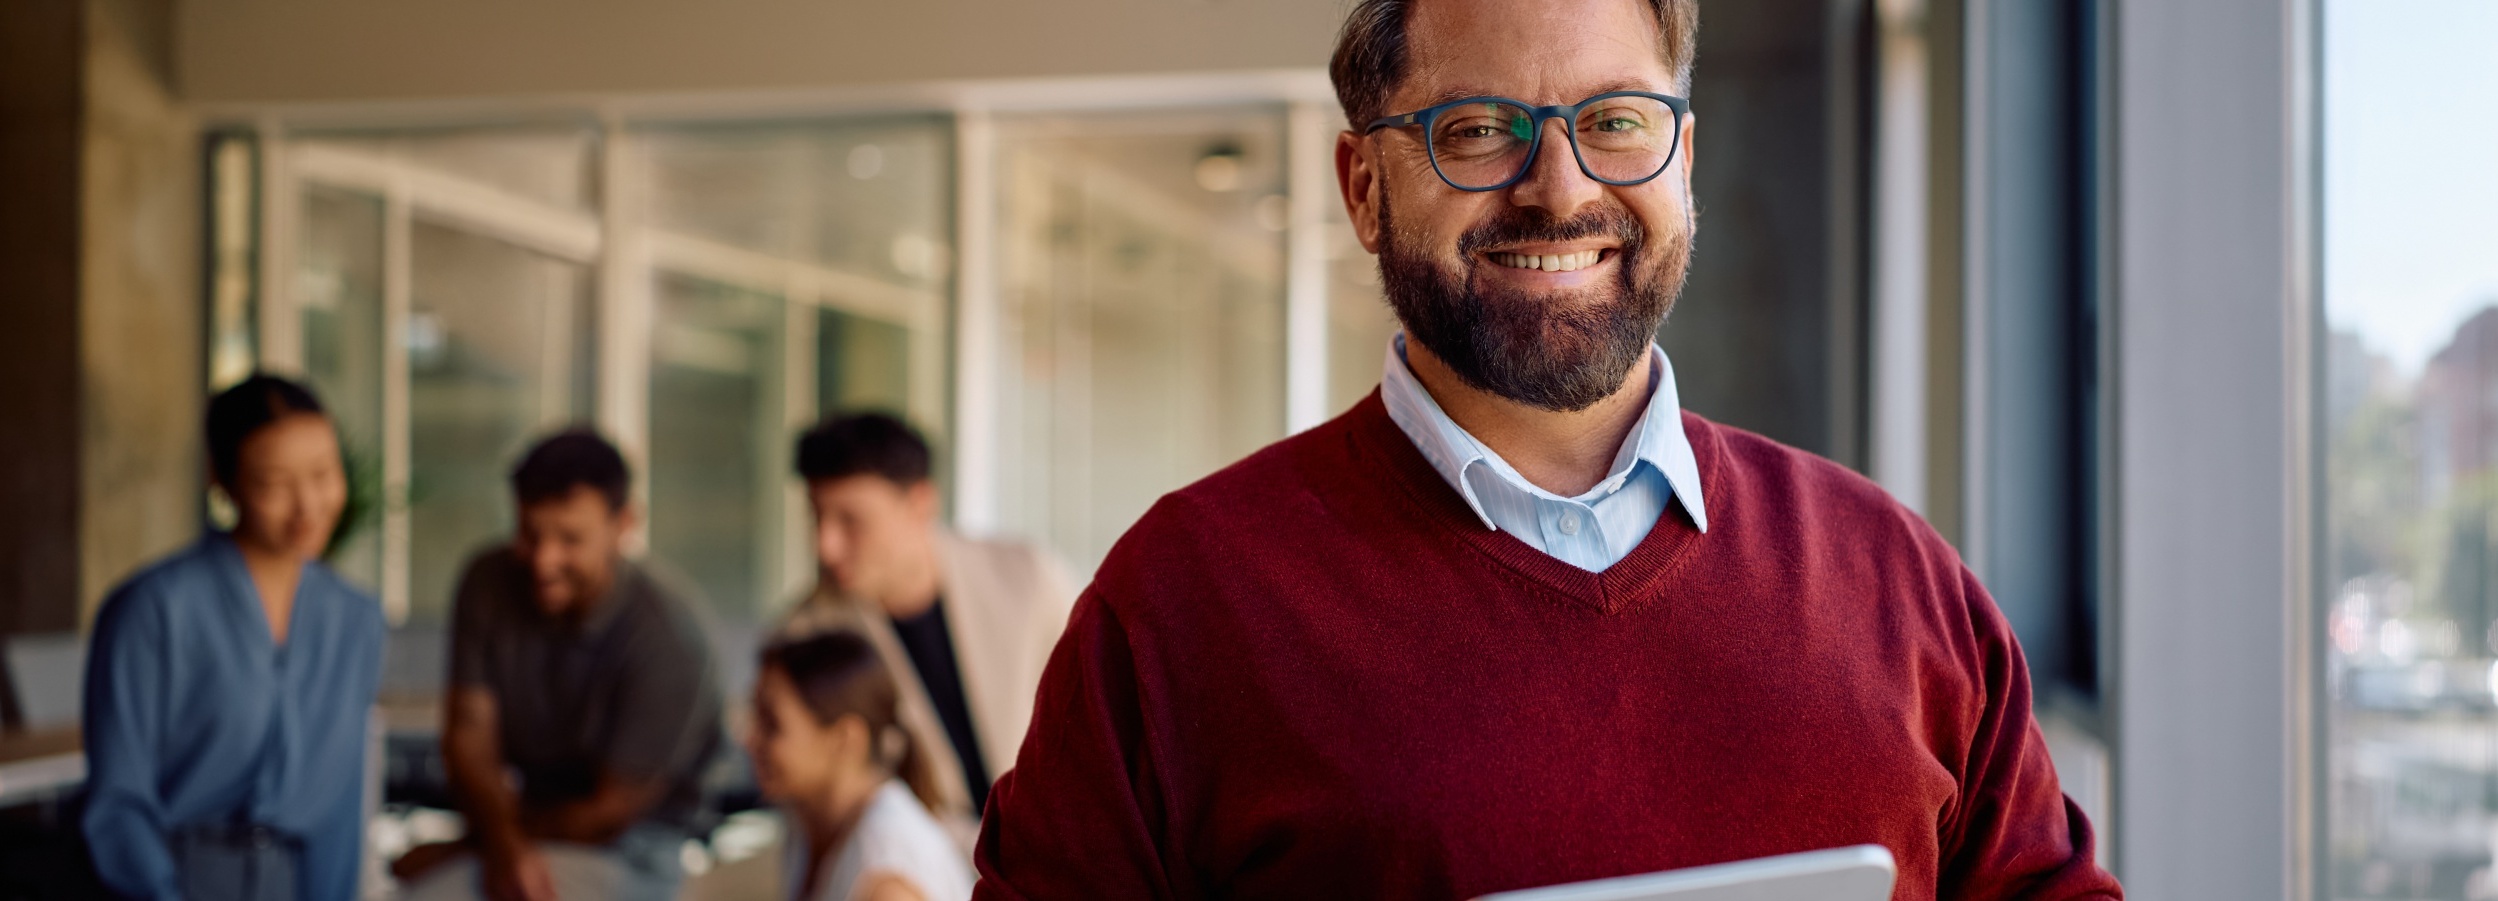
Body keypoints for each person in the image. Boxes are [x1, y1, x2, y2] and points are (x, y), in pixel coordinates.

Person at [972, 0, 2125, 898]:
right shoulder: (1181, 605)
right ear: (1363, 189)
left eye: (1616, 120)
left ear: (1680, 161)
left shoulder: (1895, 579)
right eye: (1478, 131)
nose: (1559, 188)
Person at [81, 374, 387, 901]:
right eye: (274, 483)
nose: (308, 505)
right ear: (222, 479)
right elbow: (118, 801)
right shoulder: (153, 610)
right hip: (177, 882)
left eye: (323, 473)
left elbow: (340, 810)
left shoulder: (355, 619)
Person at [396, 430, 723, 901]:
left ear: (624, 524)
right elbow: (469, 736)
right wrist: (501, 844)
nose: (544, 561)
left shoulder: (669, 634)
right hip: (524, 830)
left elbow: (609, 812)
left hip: (639, 850)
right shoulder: (488, 582)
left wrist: (475, 847)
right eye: (530, 534)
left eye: (570, 539)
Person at [777, 413, 1074, 828]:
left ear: (920, 504)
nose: (826, 546)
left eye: (850, 521)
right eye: (816, 517)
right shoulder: (808, 633)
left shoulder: (1028, 579)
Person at [746, 631, 977, 901]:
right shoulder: (808, 832)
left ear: (845, 739)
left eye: (772, 723)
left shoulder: (886, 873)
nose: (750, 739)